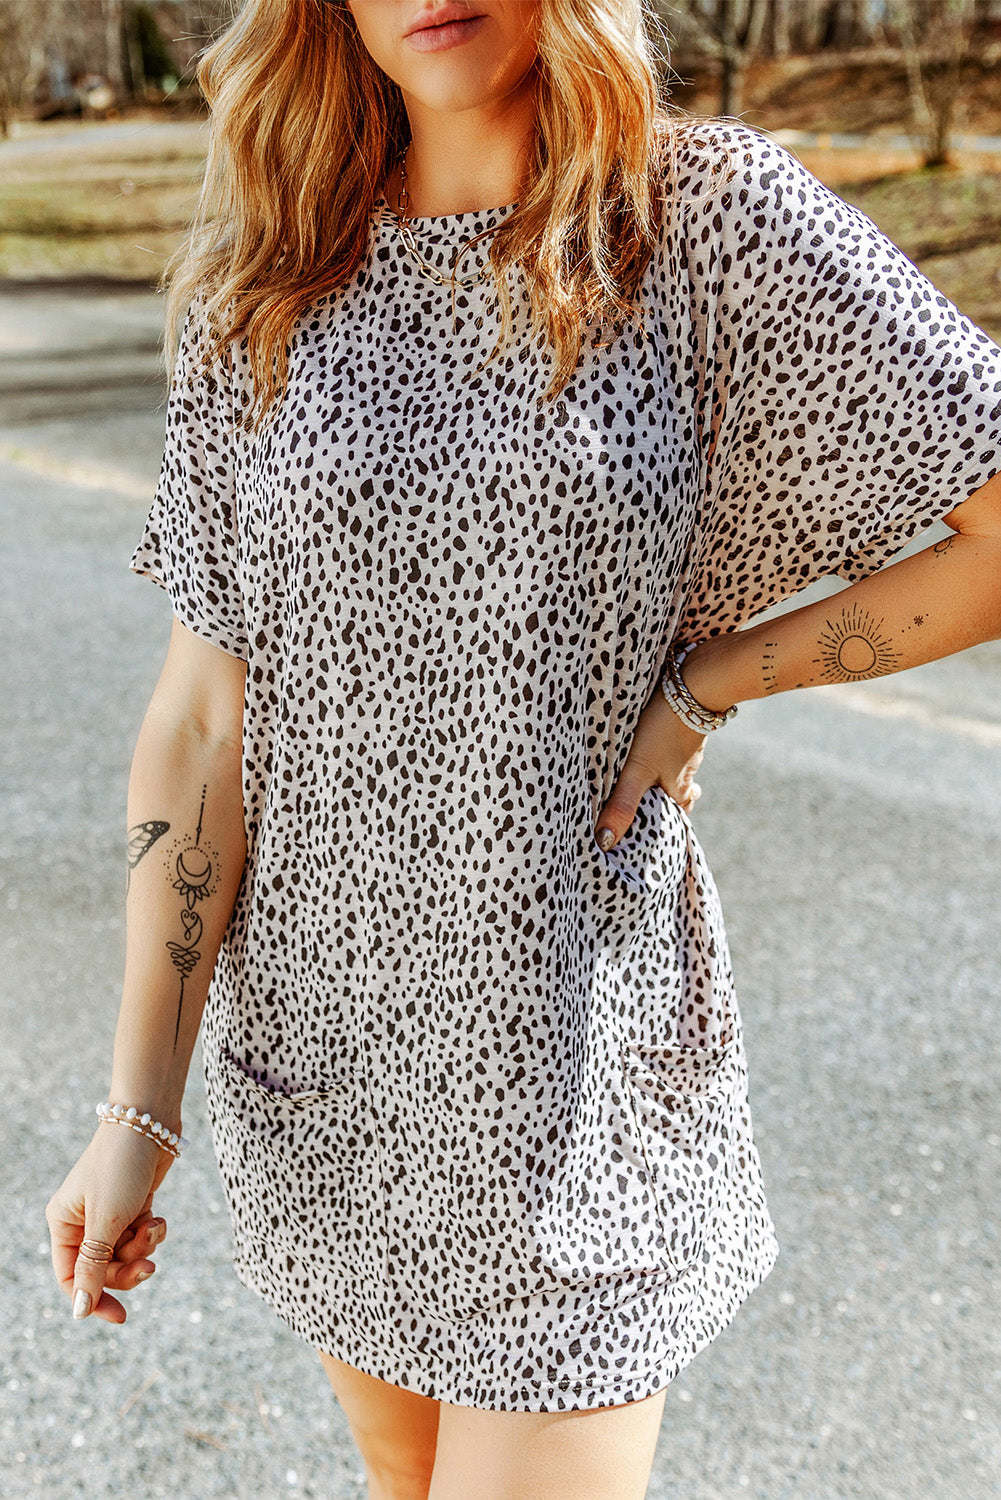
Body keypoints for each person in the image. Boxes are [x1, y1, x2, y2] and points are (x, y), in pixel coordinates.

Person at [45, 0, 1001, 1495]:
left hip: (577, 1101)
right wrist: (136, 1107)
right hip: (331, 1087)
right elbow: (200, 719)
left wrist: (711, 680)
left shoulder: (699, 223)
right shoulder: (270, 284)